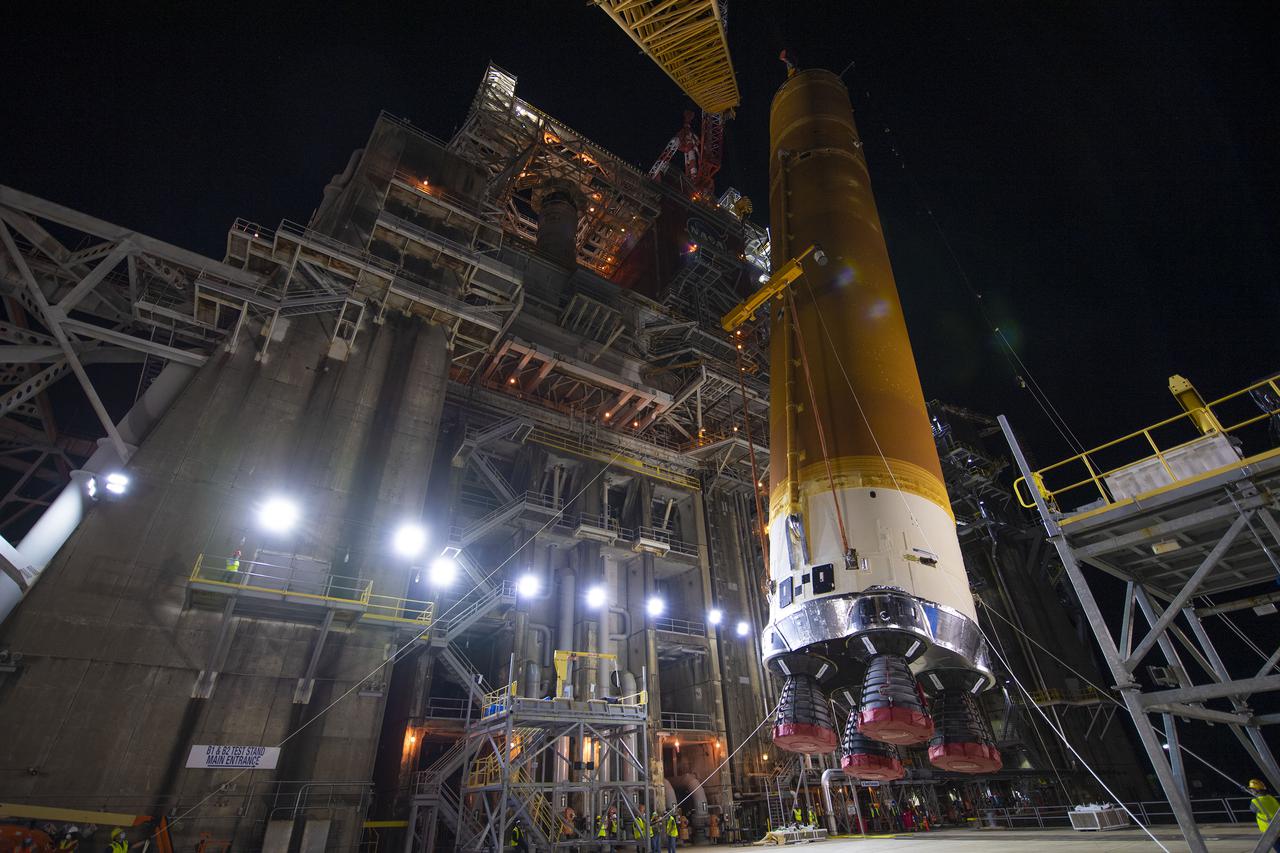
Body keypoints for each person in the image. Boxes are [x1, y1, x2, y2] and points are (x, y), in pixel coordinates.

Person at [1249, 779, 1280, 852]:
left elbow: (1252, 809)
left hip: (1270, 830)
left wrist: (1255, 797)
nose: (1251, 791)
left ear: (1256, 790)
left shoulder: (1255, 801)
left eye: (1252, 790)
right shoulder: (1270, 797)